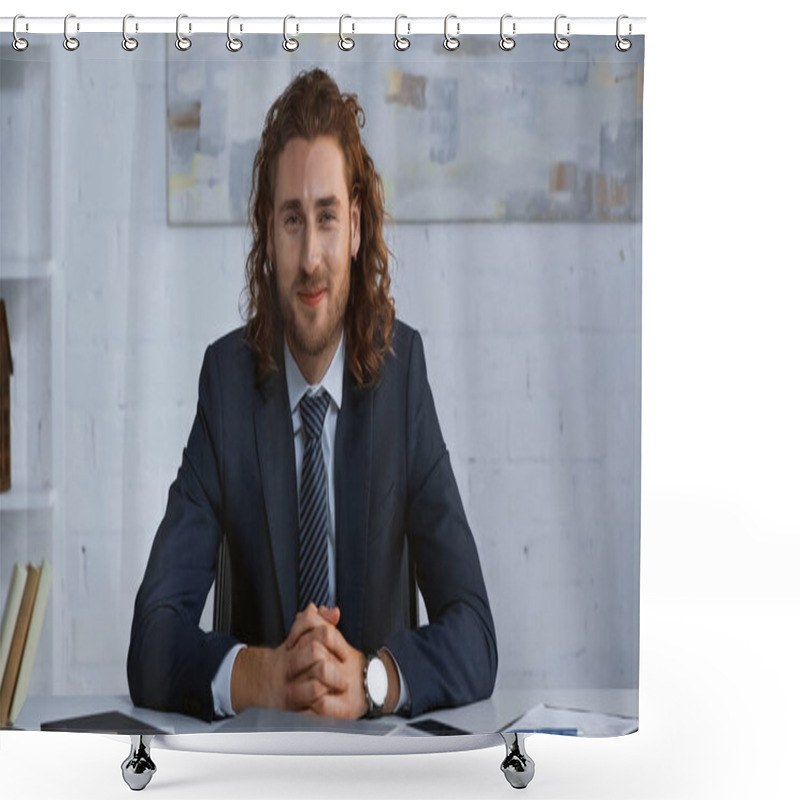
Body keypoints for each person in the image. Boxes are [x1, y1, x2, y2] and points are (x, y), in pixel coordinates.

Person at [127, 68, 497, 723]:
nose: (310, 261)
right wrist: (262, 675)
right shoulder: (227, 384)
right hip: (257, 769)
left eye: (326, 218)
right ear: (268, 235)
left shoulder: (402, 373)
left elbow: (474, 633)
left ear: (355, 228)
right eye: (292, 221)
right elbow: (151, 643)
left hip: (375, 771)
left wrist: (372, 681)